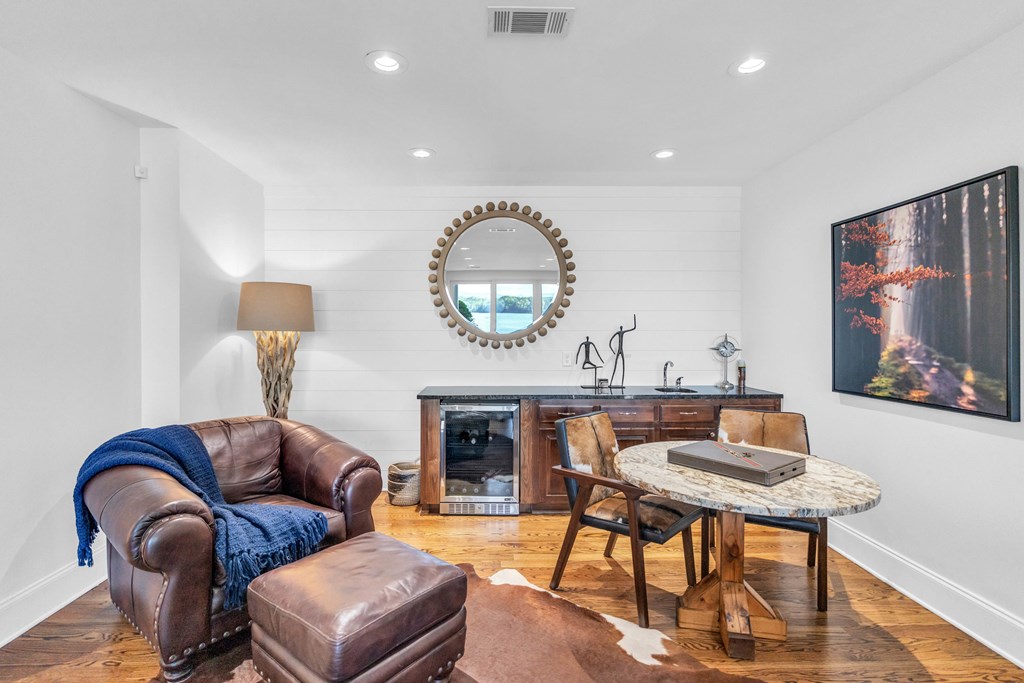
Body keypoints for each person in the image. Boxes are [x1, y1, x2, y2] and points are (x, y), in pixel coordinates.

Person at [608, 314, 637, 387]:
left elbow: (633, 328)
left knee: (623, 366)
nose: (621, 328)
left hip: (621, 350)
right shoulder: (619, 332)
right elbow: (610, 341)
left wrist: (634, 320)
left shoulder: (622, 332)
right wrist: (612, 350)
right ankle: (611, 383)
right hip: (619, 350)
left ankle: (621, 383)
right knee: (616, 366)